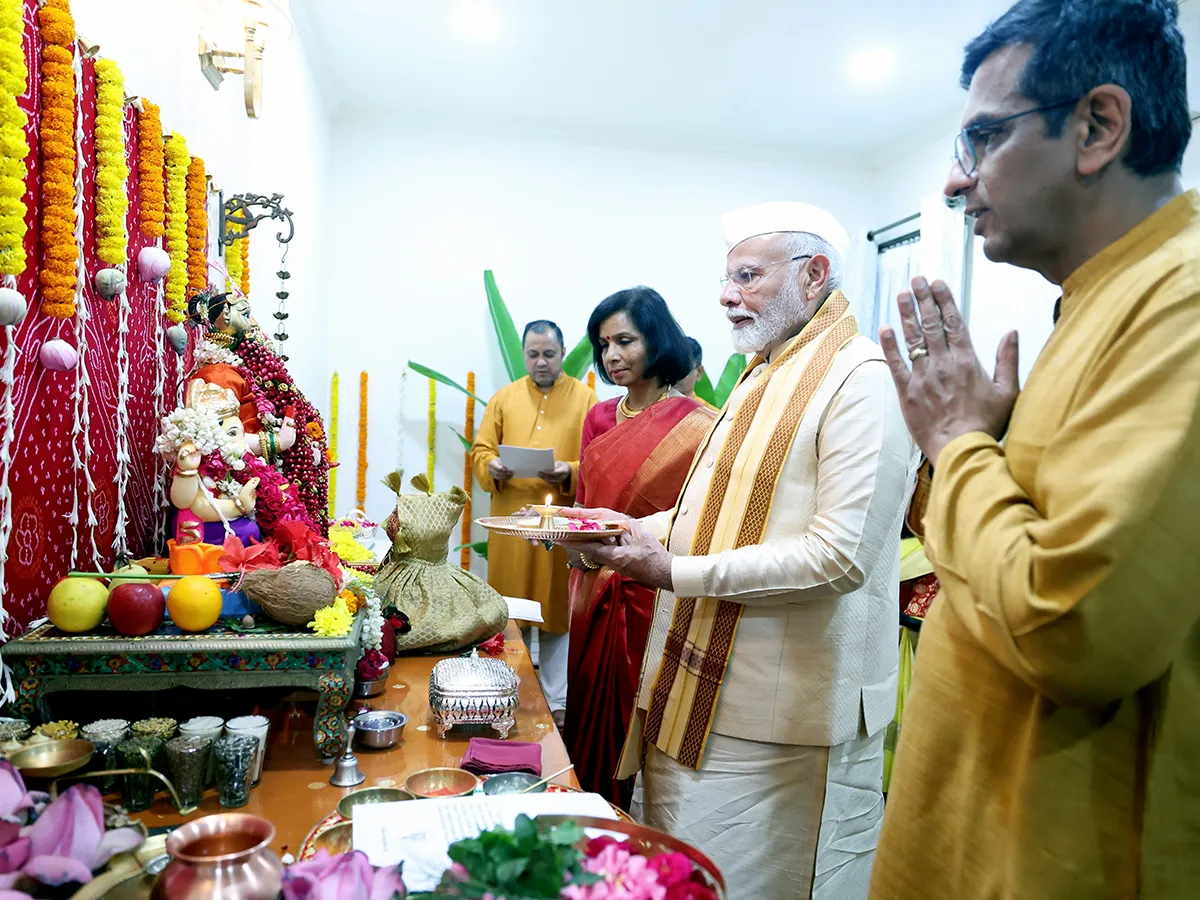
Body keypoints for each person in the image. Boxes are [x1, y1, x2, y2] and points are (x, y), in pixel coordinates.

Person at [869, 3, 1200, 899]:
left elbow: (1073, 628)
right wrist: (990, 440)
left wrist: (959, 442)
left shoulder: (1181, 304)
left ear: (1097, 127)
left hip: (1054, 852)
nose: (952, 181)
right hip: (979, 821)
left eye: (982, 139)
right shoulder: (1101, 297)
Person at [561, 202, 917, 899]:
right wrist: (630, 530)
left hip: (784, 725)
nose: (726, 295)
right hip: (694, 693)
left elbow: (838, 557)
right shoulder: (762, 373)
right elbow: (710, 511)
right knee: (681, 871)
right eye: (728, 278)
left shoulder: (861, 380)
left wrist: (672, 572)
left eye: (748, 276)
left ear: (814, 275)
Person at [565, 288, 716, 809]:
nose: (611, 356)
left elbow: (701, 521)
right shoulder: (599, 419)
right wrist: (564, 535)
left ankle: (635, 826)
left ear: (657, 340)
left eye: (625, 341)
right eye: (603, 344)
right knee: (587, 702)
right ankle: (585, 812)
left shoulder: (701, 424)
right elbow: (583, 508)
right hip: (589, 583)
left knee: (640, 710)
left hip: (654, 592)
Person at [471, 321, 597, 721]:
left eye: (549, 354)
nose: (541, 362)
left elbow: (596, 458)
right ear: (524, 354)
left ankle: (558, 706)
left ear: (562, 354)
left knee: (558, 611)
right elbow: (481, 450)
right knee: (510, 611)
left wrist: (569, 472)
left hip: (559, 521)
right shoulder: (504, 399)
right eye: (533, 354)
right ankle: (507, 697)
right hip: (511, 522)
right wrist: (492, 465)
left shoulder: (586, 399)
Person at [676, 337, 714, 409]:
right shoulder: (652, 409)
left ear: (699, 372)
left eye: (684, 369)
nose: (676, 375)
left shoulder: (711, 416)